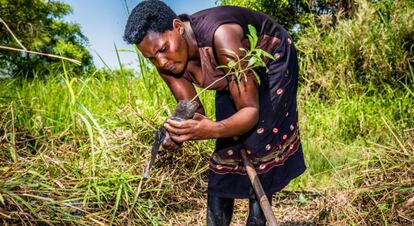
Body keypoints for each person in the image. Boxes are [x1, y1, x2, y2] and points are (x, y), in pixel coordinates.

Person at [124, 0, 306, 225]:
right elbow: (193, 109)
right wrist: (176, 132)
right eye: (151, 58)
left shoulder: (221, 35)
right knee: (226, 148)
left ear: (178, 27)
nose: (161, 61)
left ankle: (257, 221)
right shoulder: (165, 63)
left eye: (163, 49)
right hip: (233, 78)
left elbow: (249, 111)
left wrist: (212, 129)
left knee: (259, 140)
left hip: (271, 61)